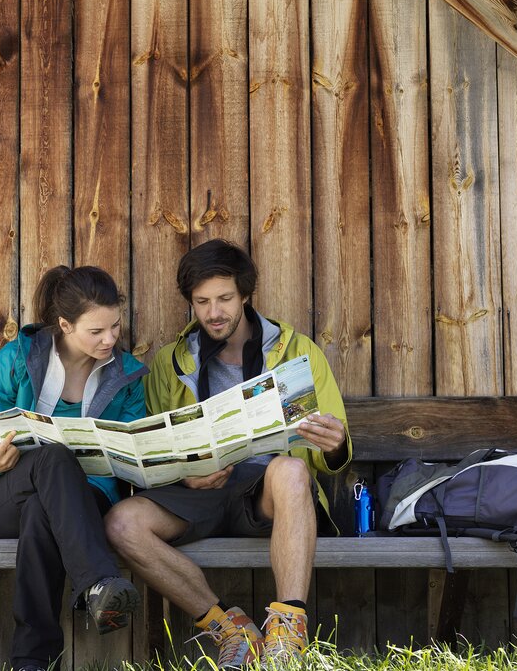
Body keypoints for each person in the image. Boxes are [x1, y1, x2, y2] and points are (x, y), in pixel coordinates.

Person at [104, 240, 351, 669]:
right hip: (199, 492)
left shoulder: (297, 353)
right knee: (122, 522)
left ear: (245, 295)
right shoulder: (170, 362)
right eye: (202, 302)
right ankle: (231, 629)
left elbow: (329, 452)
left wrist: (336, 444)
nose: (214, 312)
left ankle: (288, 634)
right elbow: (154, 450)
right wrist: (185, 476)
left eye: (224, 299)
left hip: (265, 493)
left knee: (291, 469)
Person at [0, 265, 148, 671]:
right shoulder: (18, 359)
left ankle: (31, 661)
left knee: (45, 512)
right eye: (96, 331)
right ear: (64, 324)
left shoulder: (125, 376)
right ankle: (97, 581)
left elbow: (136, 446)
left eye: (114, 326)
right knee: (55, 457)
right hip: (7, 497)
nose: (110, 338)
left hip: (86, 501)